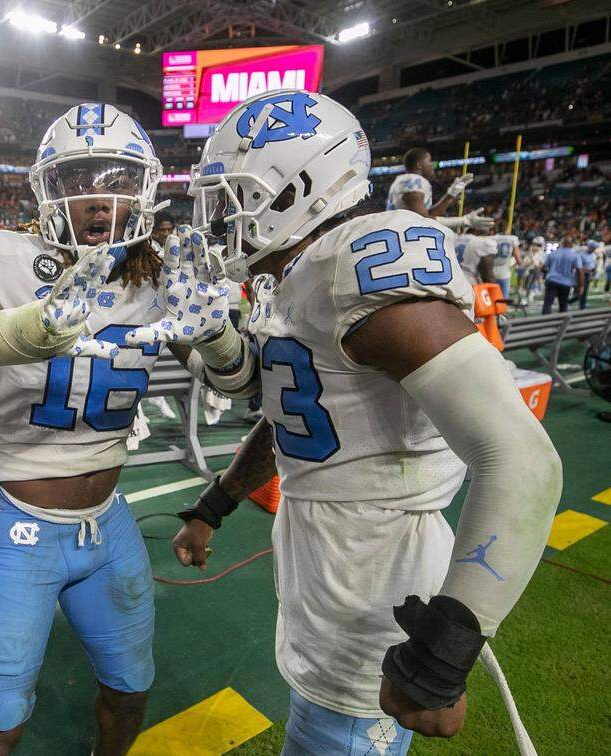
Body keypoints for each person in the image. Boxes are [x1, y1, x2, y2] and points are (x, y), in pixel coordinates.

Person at [160, 90, 560, 753]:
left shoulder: (359, 261)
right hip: (333, 593)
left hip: (379, 601)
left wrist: (440, 657)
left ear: (297, 192)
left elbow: (523, 458)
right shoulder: (299, 280)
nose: (222, 220)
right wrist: (216, 502)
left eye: (234, 198)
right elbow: (298, 411)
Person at [0, 103, 198, 756]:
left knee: (130, 690)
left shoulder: (159, 273)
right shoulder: (4, 255)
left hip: (110, 521)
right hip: (22, 522)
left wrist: (224, 321)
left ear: (145, 190)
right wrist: (13, 331)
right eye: (81, 181)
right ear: (52, 192)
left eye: (117, 180)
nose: (101, 200)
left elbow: (236, 377)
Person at [386, 148, 493, 235]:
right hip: (403, 238)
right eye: (429, 160)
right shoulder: (413, 179)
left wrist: (451, 193)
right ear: (419, 165)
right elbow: (421, 219)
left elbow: (428, 215)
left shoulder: (407, 180)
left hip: (400, 235)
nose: (432, 164)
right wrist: (463, 221)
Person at [541, 234, 581, 314]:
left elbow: (543, 268)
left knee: (548, 303)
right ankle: (561, 324)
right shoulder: (575, 255)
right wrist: (581, 285)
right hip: (565, 282)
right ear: (571, 244)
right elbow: (580, 271)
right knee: (563, 305)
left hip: (552, 280)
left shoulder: (553, 253)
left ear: (562, 243)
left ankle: (544, 323)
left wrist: (548, 274)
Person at [574, 240, 598, 309]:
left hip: (588, 276)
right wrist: (589, 270)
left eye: (595, 247)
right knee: (580, 293)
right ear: (589, 247)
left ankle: (582, 307)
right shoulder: (581, 255)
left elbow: (594, 265)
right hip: (581, 275)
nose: (594, 249)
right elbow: (578, 267)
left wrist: (594, 273)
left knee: (584, 293)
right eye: (593, 247)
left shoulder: (593, 255)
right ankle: (569, 302)